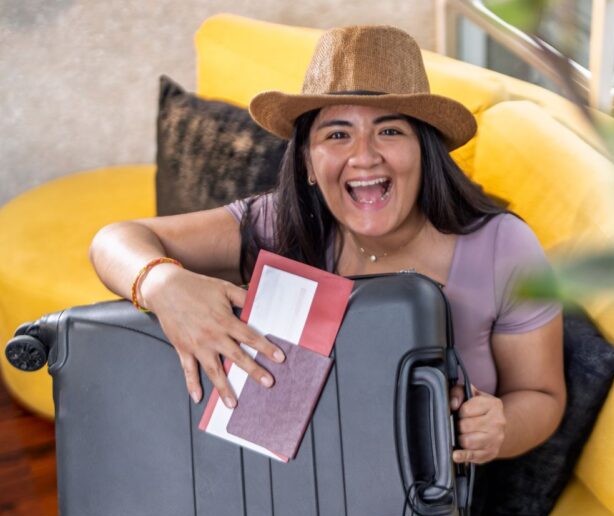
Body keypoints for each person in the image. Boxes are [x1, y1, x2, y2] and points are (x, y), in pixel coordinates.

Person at [89, 25, 566, 479]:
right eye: (337, 134)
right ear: (308, 163)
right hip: (292, 479)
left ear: (425, 149)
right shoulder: (280, 223)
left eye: (390, 131)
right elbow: (114, 240)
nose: (364, 156)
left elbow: (542, 395)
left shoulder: (503, 248)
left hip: (423, 489)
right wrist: (164, 284)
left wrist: (498, 429)